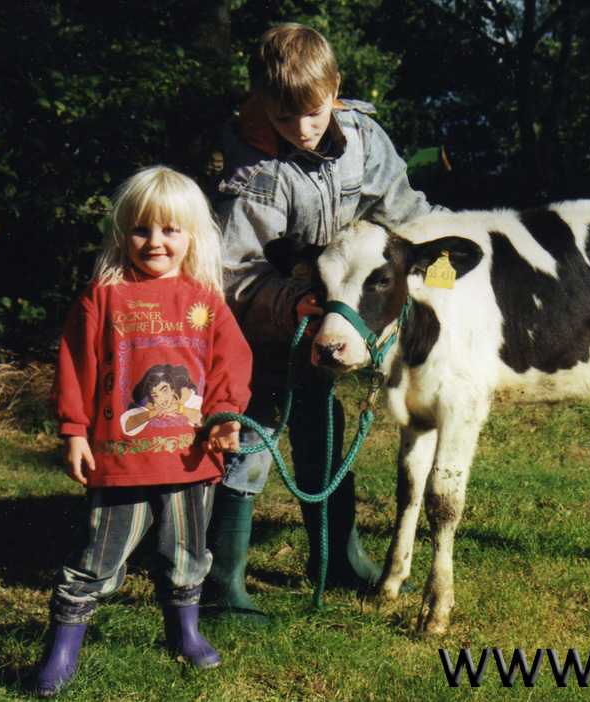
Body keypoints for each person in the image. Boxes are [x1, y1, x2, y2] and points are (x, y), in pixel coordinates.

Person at [206, 22, 442, 621]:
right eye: (285, 118)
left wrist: (458, 241)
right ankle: (222, 585)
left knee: (325, 432)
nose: (303, 128)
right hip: (260, 327)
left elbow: (405, 213)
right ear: (262, 105)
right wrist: (290, 305)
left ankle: (336, 558)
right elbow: (231, 271)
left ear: (334, 89)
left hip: (327, 318)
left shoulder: (365, 138)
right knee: (251, 443)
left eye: (313, 112)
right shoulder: (252, 170)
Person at [36, 166, 253, 697]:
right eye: (140, 229)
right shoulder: (102, 296)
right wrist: (74, 432)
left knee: (186, 555)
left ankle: (185, 634)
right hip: (119, 462)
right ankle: (62, 650)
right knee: (96, 559)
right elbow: (74, 366)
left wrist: (225, 416)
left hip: (189, 462)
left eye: (169, 230)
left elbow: (232, 365)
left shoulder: (206, 299)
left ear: (191, 235)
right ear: (121, 232)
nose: (154, 242)